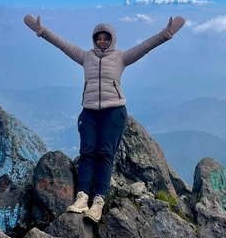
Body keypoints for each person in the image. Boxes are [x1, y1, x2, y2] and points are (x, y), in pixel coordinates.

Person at [23, 14, 185, 222]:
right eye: (98, 38)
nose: (101, 41)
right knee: (87, 153)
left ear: (112, 40)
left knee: (105, 155)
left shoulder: (121, 57)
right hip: (89, 111)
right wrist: (41, 30)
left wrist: (166, 34)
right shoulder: (85, 57)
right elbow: (62, 44)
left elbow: (145, 47)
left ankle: (98, 201)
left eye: (105, 38)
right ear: (94, 39)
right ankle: (82, 198)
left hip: (114, 112)